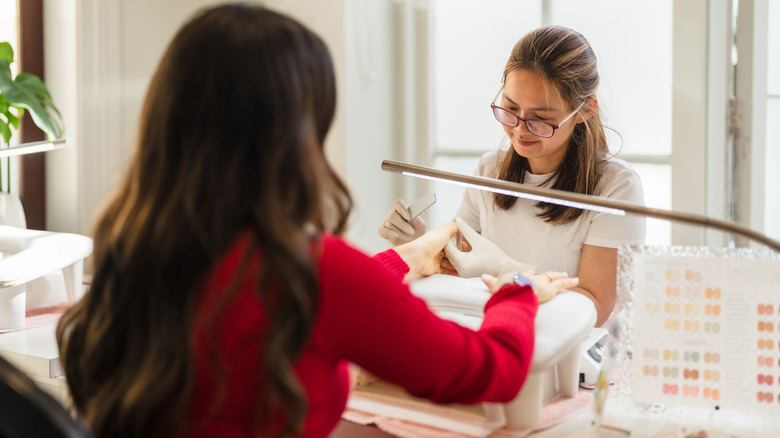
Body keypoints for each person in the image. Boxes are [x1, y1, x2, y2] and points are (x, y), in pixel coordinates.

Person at [56, 4, 578, 438]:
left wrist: (399, 261)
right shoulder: (317, 273)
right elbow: (490, 372)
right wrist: (518, 290)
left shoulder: (133, 249)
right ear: (294, 138)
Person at [380, 25, 646, 327]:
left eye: (541, 119)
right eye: (510, 108)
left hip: (566, 352)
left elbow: (594, 308)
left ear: (585, 111)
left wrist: (513, 272)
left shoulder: (616, 187)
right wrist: (420, 242)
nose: (519, 130)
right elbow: (456, 269)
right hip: (494, 333)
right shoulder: (489, 171)